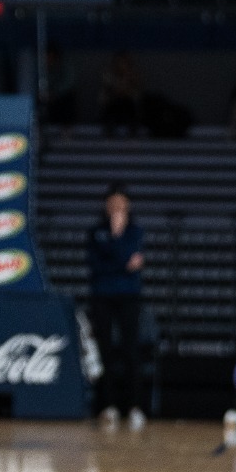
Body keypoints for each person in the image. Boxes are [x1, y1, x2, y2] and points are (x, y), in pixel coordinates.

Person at [86, 184, 147, 431]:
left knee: (131, 350)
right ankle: (107, 405)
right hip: (102, 296)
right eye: (113, 205)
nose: (117, 210)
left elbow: (133, 261)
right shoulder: (96, 232)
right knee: (105, 350)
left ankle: (134, 406)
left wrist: (117, 242)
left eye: (122, 205)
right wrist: (120, 257)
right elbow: (95, 266)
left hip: (129, 296)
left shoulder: (135, 232)